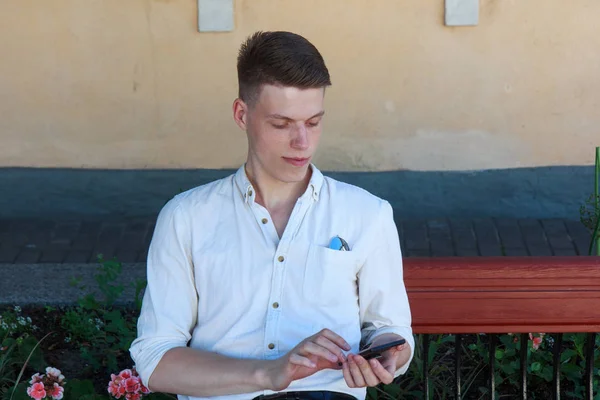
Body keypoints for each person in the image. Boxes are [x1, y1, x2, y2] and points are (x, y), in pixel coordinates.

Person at [129, 31, 414, 400]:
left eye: (313, 122)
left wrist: (390, 351)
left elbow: (391, 331)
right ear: (241, 114)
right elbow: (155, 360)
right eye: (281, 124)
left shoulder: (368, 214)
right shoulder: (186, 217)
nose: (302, 143)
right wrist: (269, 372)